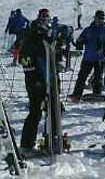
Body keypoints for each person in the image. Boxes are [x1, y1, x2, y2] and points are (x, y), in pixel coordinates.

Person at [17, 9, 53, 157]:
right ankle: (26, 145)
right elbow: (24, 60)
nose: (45, 20)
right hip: (36, 81)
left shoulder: (44, 37)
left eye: (47, 17)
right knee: (36, 112)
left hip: (47, 79)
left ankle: (49, 140)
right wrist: (36, 80)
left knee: (51, 111)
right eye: (43, 17)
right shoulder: (32, 38)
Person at [69, 10, 105, 102]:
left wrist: (103, 46)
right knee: (82, 76)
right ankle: (76, 95)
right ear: (95, 18)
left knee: (98, 78)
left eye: (102, 18)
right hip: (88, 57)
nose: (101, 20)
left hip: (99, 58)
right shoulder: (88, 29)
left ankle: (96, 94)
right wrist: (79, 42)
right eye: (99, 18)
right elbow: (80, 40)